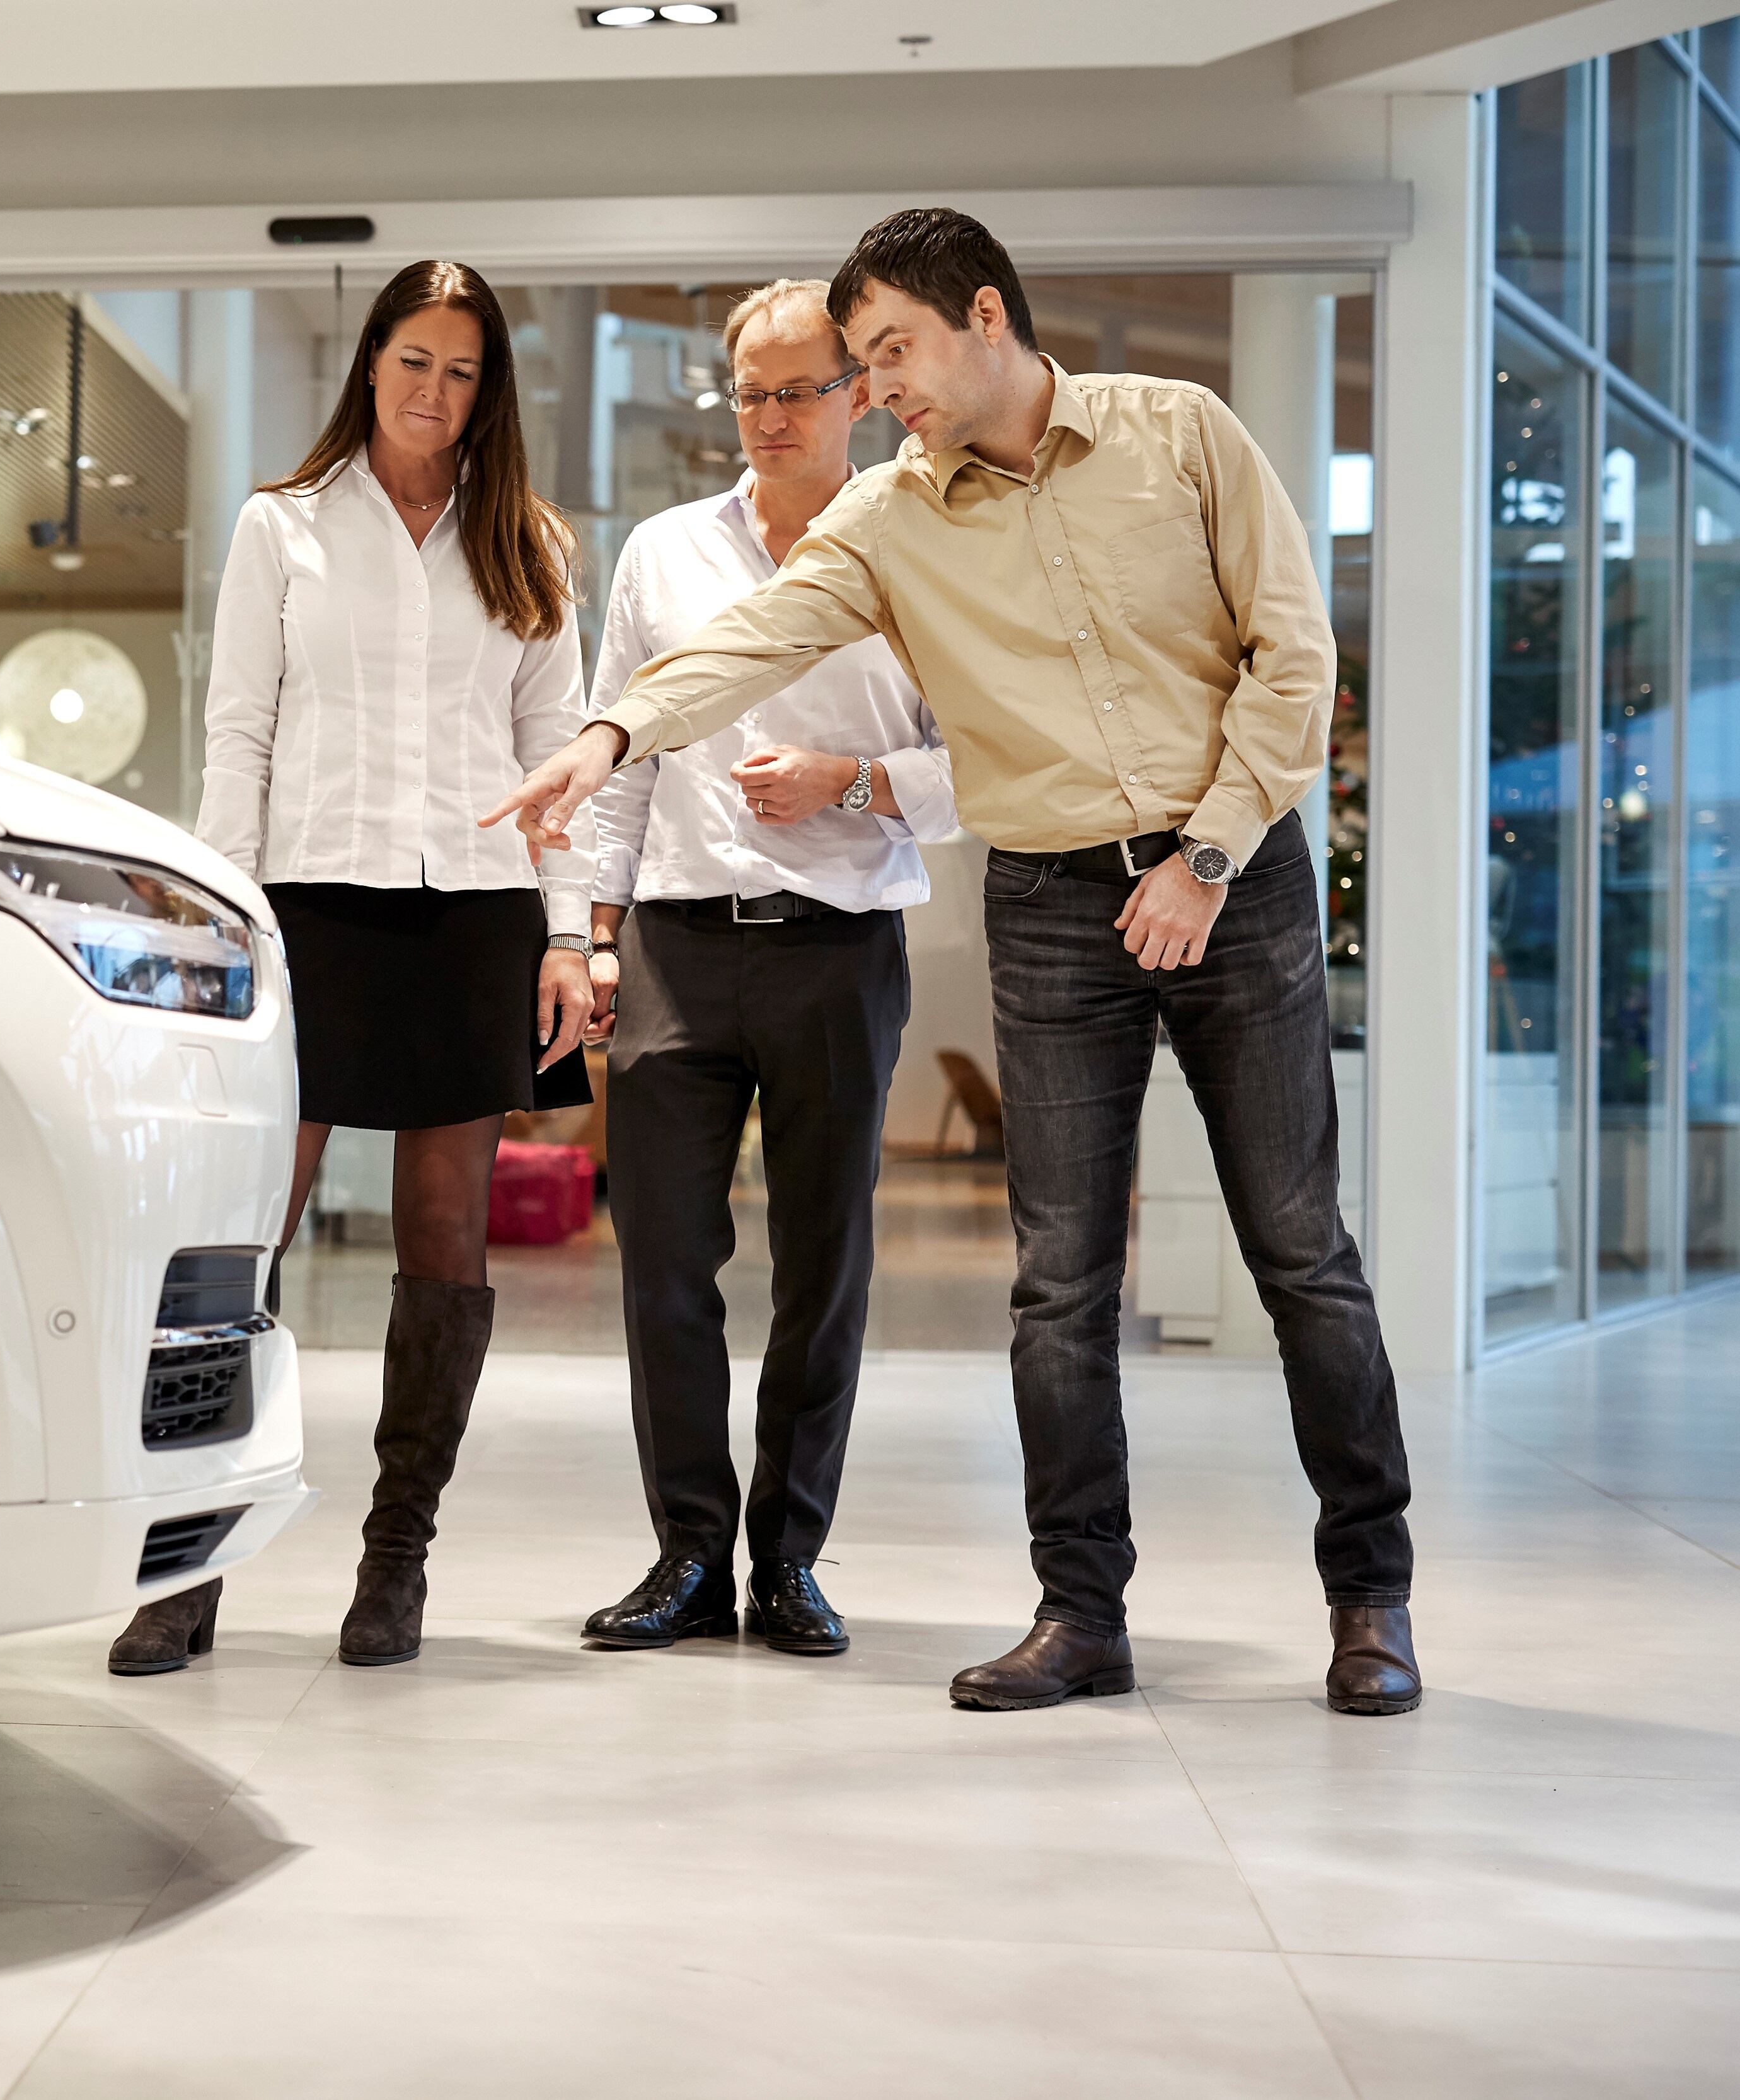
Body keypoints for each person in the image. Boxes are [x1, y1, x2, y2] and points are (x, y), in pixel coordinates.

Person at [486, 209, 1419, 1718]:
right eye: (857, 363)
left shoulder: (1179, 435)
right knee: (1058, 1281)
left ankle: (1367, 1595)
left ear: (984, 315)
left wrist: (1203, 856)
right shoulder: (891, 516)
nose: (879, 388)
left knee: (1298, 1250)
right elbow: (756, 636)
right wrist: (603, 739)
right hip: (1053, 902)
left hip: (1229, 881)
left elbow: (1292, 659)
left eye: (890, 353)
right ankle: (1079, 1610)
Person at [107, 258, 595, 1675]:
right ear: (367, 363)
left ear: (486, 387)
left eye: (462, 369)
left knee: (444, 1242)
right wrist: (219, 926)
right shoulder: (283, 526)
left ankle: (397, 1557)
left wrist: (568, 934)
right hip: (306, 916)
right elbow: (239, 738)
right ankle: (191, 1558)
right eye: (412, 361)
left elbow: (553, 757)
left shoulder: (530, 545)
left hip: (470, 919)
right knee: (242, 1239)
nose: (434, 393)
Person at [575, 280, 957, 1658]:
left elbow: (979, 766)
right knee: (663, 1266)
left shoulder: (920, 554)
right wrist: (587, 933)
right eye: (750, 392)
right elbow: (615, 760)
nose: (773, 416)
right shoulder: (663, 555)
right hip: (675, 946)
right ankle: (686, 1552)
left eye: (801, 388)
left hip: (836, 949)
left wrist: (849, 781)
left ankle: (786, 1557)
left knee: (822, 1266)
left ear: (858, 394)